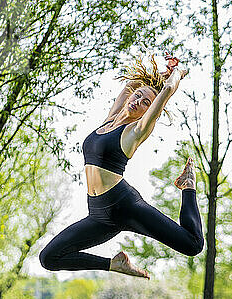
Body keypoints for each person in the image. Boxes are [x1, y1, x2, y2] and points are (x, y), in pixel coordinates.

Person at [39, 54, 204, 279]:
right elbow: (131, 84)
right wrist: (158, 76)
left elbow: (165, 93)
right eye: (137, 96)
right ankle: (114, 264)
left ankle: (188, 186)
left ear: (149, 112)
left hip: (125, 206)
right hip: (98, 213)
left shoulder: (135, 132)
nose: (138, 101)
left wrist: (177, 74)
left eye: (146, 103)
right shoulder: (111, 119)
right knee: (49, 258)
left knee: (192, 244)